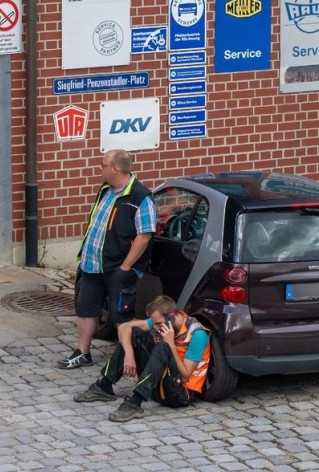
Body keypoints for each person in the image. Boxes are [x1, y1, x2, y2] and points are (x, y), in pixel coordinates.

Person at [57, 148, 156, 369]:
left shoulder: (140, 198)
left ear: (115, 168)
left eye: (103, 165)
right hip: (93, 265)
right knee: (85, 308)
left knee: (122, 316)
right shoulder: (106, 190)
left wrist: (126, 267)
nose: (100, 168)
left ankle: (127, 360)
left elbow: (144, 236)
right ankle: (83, 352)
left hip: (117, 268)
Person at [73, 294, 210, 421]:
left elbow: (186, 375)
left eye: (158, 323)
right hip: (159, 383)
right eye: (154, 323)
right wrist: (129, 354)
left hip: (179, 394)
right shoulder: (162, 321)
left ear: (172, 317)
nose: (156, 327)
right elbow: (125, 327)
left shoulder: (197, 335)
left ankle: (135, 403)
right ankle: (104, 386)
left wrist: (171, 345)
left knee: (164, 346)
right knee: (135, 335)